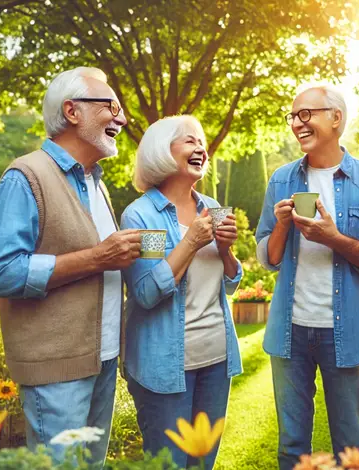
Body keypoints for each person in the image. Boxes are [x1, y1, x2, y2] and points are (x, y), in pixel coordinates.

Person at [0, 67, 139, 465]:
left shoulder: (94, 182)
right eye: (112, 107)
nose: (121, 119)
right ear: (72, 111)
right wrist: (97, 258)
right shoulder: (25, 176)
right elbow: (1, 273)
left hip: (101, 359)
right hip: (55, 369)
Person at [254, 83, 359, 469]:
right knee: (291, 447)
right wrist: (283, 226)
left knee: (351, 446)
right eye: (293, 116)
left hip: (346, 332)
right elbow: (268, 257)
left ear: (336, 118)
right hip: (291, 331)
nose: (297, 123)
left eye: (306, 114)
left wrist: (336, 239)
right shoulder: (281, 180)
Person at [120, 115, 242, 469]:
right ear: (161, 151)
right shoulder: (144, 217)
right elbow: (146, 292)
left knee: (203, 463)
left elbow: (230, 282)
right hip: (164, 367)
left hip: (216, 362)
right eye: (189, 141)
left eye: (201, 142)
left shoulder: (212, 208)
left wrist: (226, 250)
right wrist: (190, 242)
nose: (200, 148)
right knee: (169, 464)